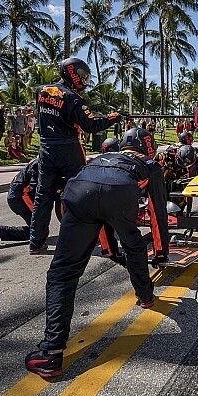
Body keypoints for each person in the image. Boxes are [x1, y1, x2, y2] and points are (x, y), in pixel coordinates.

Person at [24, 129, 169, 379]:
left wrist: (109, 250)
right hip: (121, 190)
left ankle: (51, 354)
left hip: (79, 189)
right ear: (148, 148)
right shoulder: (149, 163)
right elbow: (157, 213)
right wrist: (160, 252)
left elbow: (99, 216)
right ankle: (145, 296)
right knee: (134, 246)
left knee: (63, 273)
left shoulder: (100, 158)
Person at [28, 57, 120, 255]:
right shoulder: (73, 98)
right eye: (81, 75)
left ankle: (36, 242)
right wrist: (113, 117)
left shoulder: (42, 91)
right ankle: (81, 237)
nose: (83, 80)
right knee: (78, 194)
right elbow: (92, 125)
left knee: (43, 195)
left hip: (45, 149)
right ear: (71, 72)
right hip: (68, 149)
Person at [0, 159, 40, 248]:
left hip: (17, 195)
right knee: (38, 231)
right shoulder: (39, 163)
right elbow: (33, 188)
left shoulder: (39, 160)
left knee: (39, 229)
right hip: (20, 198)